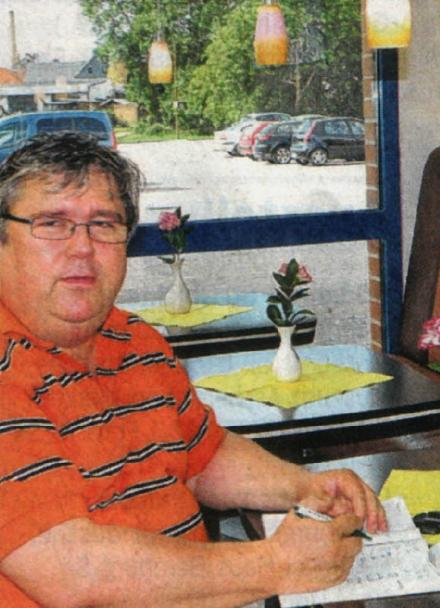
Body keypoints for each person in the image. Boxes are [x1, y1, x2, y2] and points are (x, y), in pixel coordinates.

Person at [0, 132, 386, 607]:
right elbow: (71, 573)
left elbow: (205, 457)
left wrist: (307, 487)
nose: (82, 247)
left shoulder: (134, 339)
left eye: (103, 224)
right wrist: (277, 563)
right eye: (52, 224)